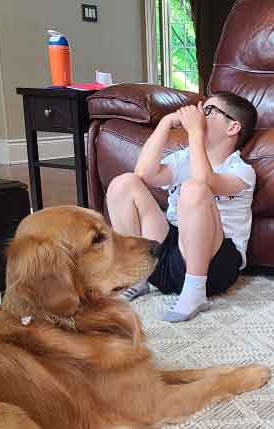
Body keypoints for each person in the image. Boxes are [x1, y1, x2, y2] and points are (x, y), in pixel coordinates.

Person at [105, 91, 257, 321]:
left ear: (232, 128)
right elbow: (144, 173)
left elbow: (205, 180)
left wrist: (195, 132)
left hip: (214, 264)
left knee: (194, 189)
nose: (199, 115)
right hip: (171, 254)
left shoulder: (241, 170)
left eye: (208, 111)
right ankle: (136, 277)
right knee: (123, 184)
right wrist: (165, 124)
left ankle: (195, 293)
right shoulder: (183, 158)